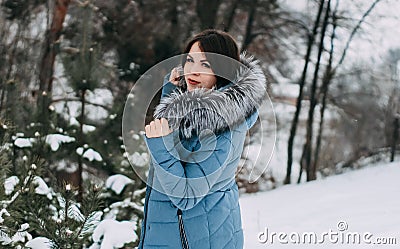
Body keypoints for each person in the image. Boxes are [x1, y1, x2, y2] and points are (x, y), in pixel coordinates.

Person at [138, 29, 267, 249]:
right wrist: (172, 95)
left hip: (195, 238)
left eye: (205, 65)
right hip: (179, 233)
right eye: (190, 61)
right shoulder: (201, 109)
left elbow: (186, 196)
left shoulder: (222, 126)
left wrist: (161, 147)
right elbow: (184, 145)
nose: (193, 71)